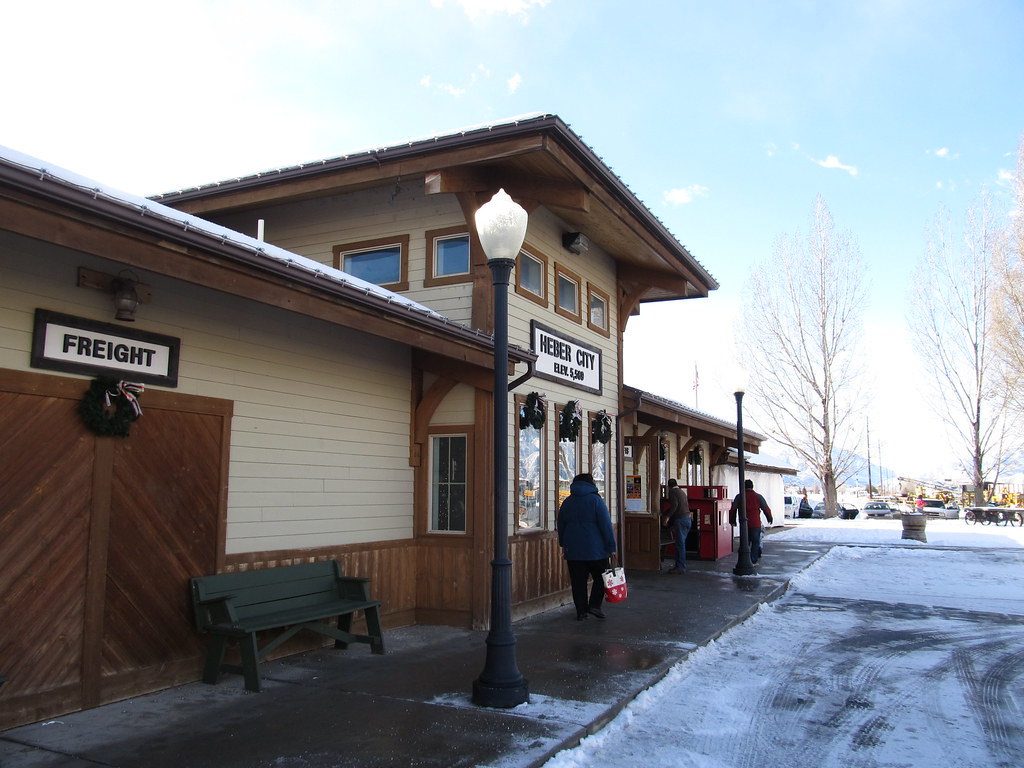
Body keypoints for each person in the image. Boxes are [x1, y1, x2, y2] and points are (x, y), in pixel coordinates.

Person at [557, 472, 618, 620]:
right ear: (591, 483)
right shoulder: (596, 501)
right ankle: (595, 606)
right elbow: (606, 525)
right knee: (602, 578)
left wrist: (563, 543)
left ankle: (581, 612)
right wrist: (611, 546)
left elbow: (561, 524)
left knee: (578, 582)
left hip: (573, 550)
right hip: (597, 550)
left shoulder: (567, 502)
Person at [729, 479, 773, 564]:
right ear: (752, 486)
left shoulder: (739, 497)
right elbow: (766, 509)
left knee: (745, 543)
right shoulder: (758, 496)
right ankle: (753, 560)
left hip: (744, 524)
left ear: (744, 486)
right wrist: (769, 518)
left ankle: (744, 560)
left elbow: (733, 509)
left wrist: (732, 520)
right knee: (755, 542)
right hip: (755, 524)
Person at [663, 479, 692, 574]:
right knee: (681, 544)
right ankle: (680, 565)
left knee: (679, 545)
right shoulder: (682, 492)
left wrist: (667, 517)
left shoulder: (672, 492)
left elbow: (675, 505)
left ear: (668, 486)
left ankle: (680, 567)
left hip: (680, 520)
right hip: (687, 519)